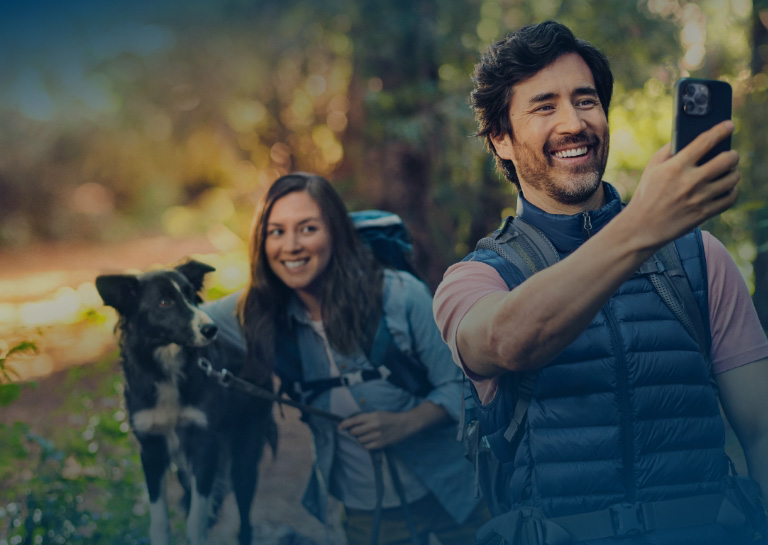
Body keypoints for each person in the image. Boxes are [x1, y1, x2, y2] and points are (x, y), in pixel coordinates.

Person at [432, 20, 768, 545]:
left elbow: (761, 430)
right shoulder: (473, 280)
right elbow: (508, 339)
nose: (574, 122)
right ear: (500, 139)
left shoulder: (699, 258)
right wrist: (643, 225)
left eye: (586, 101)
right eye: (544, 107)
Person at [224, 172, 488, 545]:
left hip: (456, 490)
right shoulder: (261, 315)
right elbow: (190, 323)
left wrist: (405, 423)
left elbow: (464, 387)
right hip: (368, 512)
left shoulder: (400, 296)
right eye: (276, 232)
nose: (292, 246)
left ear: (335, 232)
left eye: (308, 228)